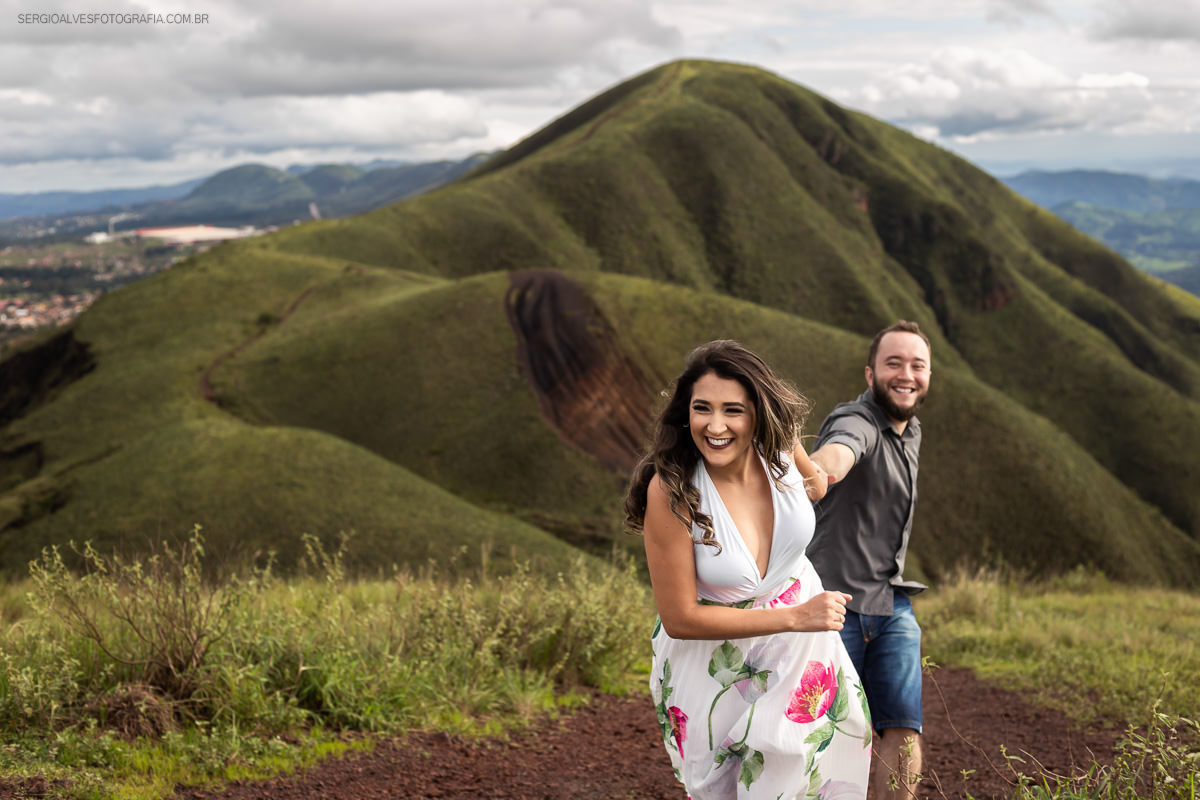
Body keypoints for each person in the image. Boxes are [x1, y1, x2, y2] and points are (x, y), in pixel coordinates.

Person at [626, 340, 871, 800]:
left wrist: (794, 438)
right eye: (702, 409)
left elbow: (815, 486)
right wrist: (796, 617)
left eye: (733, 410)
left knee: (809, 780)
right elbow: (679, 619)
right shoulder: (673, 491)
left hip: (804, 656)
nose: (715, 426)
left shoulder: (778, 456)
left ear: (758, 413)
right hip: (718, 671)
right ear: (686, 412)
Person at [806, 320, 932, 800]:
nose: (906, 374)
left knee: (903, 729)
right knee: (833, 733)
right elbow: (841, 451)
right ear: (869, 373)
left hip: (892, 601)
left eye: (917, 365)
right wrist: (823, 469)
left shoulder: (910, 428)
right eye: (893, 363)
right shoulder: (855, 420)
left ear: (928, 375)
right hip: (835, 605)